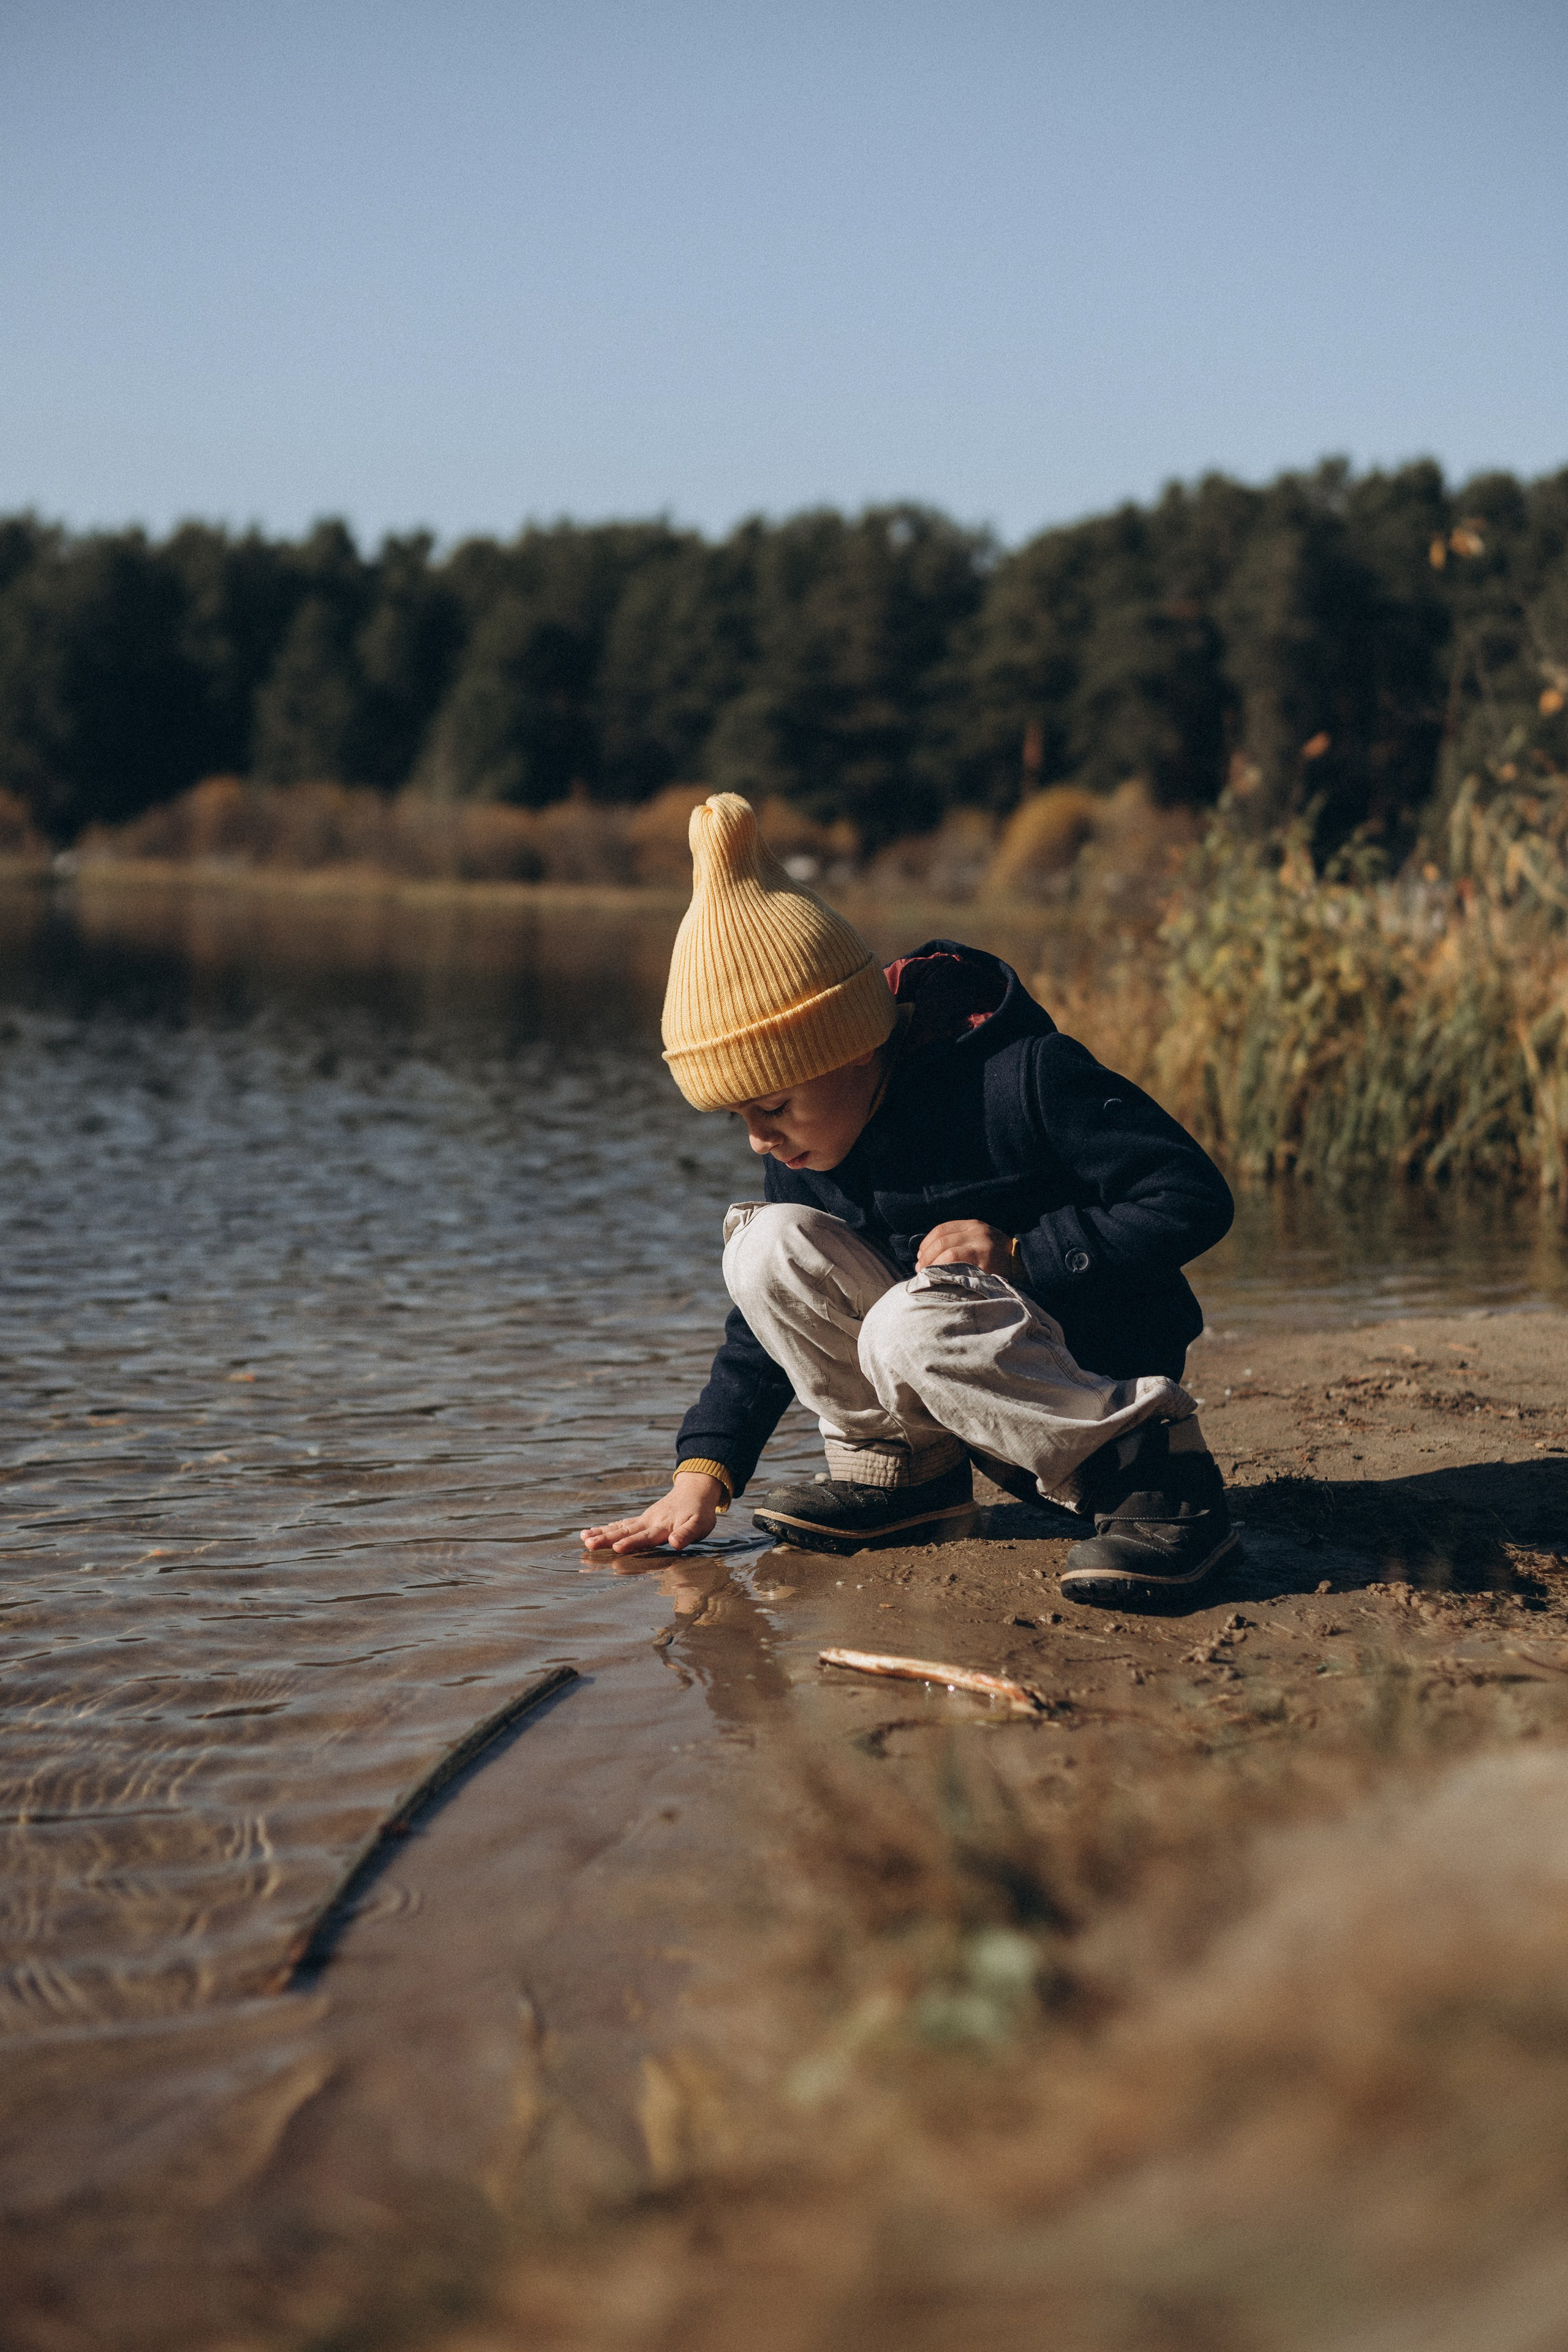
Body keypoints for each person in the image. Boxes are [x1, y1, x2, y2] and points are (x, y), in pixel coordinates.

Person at [581, 793, 1237, 1604]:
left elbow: (1193, 1196)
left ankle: (1155, 1481)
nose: (758, 1138)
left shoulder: (1021, 1079)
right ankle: (903, 1476)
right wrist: (702, 1478)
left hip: (1095, 1369)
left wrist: (1026, 1251)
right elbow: (762, 1329)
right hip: (947, 1363)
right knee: (763, 1246)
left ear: (853, 1045)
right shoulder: (814, 1142)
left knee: (907, 1319)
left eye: (774, 1107)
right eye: (736, 1117)